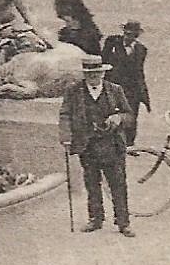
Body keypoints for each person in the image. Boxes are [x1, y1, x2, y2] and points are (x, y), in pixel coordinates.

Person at [59, 55, 138, 236]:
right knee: (92, 183)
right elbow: (65, 114)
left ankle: (123, 223)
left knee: (118, 184)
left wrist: (118, 118)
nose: (93, 77)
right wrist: (66, 137)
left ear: (103, 73)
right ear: (85, 75)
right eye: (89, 74)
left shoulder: (115, 90)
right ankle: (96, 219)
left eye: (97, 73)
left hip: (112, 145)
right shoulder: (74, 91)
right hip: (87, 145)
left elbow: (129, 115)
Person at [101, 21, 151, 142]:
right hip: (113, 86)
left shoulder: (141, 50)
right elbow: (102, 61)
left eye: (132, 35)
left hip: (131, 90)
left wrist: (144, 96)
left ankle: (128, 144)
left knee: (131, 117)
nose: (128, 37)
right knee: (109, 114)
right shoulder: (113, 42)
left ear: (136, 36)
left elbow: (139, 73)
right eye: (127, 34)